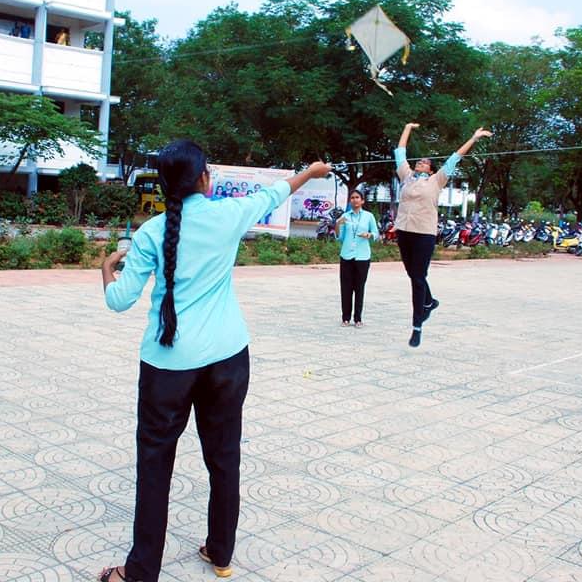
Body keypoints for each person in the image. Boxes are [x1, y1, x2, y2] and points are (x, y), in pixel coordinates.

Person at [98, 141, 331, 582]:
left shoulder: (150, 233)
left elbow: (119, 300)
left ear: (166, 184)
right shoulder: (229, 215)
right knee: (224, 457)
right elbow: (280, 191)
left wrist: (106, 266)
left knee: (154, 468)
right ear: (205, 178)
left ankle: (140, 572)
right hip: (228, 359)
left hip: (167, 366)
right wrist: (312, 171)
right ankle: (221, 552)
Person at [395, 122, 492, 347]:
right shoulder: (406, 176)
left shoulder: (437, 180)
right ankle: (429, 302)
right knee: (413, 275)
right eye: (420, 160)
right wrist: (408, 128)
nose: (421, 162)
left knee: (418, 279)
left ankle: (417, 326)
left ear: (430, 169)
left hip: (424, 234)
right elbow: (400, 151)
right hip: (404, 230)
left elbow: (455, 157)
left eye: (426, 162)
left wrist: (474, 138)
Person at [335, 189, 380, 327]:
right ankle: (345, 318)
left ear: (362, 201)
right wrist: (337, 224)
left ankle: (358, 318)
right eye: (352, 197)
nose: (355, 200)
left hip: (362, 256)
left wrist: (369, 235)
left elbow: (376, 233)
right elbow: (339, 237)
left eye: (357, 197)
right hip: (347, 255)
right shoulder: (345, 216)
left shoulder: (368, 216)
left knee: (359, 287)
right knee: (346, 287)